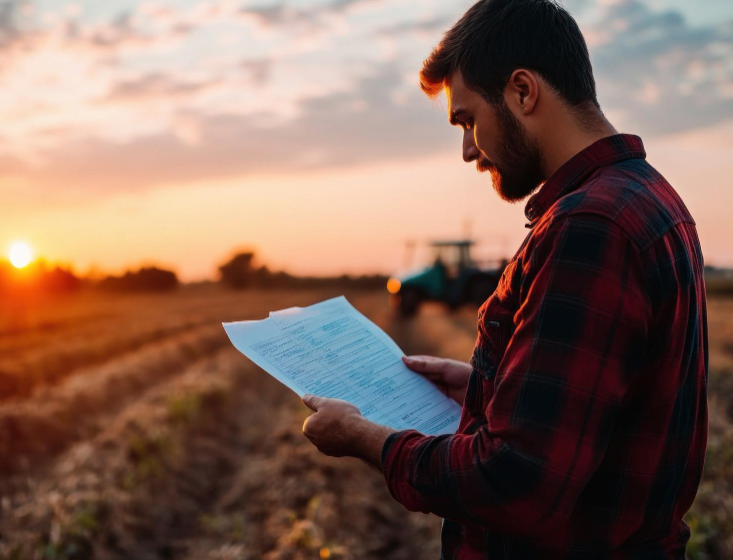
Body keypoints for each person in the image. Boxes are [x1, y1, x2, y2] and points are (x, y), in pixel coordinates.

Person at [299, 0, 709, 557]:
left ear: (522, 91)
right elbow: (604, 404)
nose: (468, 149)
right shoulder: (648, 198)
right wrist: (485, 388)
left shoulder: (588, 227)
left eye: (468, 120)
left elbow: (517, 483)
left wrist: (366, 438)